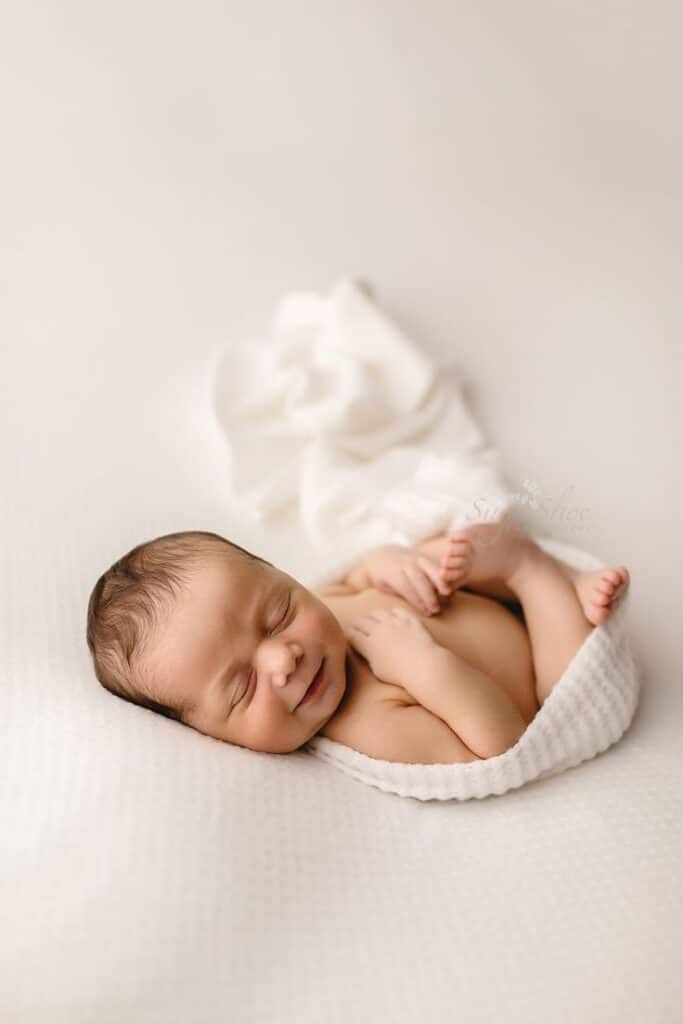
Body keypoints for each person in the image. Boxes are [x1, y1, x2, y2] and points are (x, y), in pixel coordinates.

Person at [86, 518, 630, 764]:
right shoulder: (368, 724)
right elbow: (501, 744)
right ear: (213, 736)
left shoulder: (324, 608)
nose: (283, 658)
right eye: (242, 687)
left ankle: (553, 577)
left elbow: (352, 581)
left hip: (483, 608)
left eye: (277, 612)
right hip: (540, 681)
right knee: (572, 683)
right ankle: (534, 574)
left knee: (434, 558)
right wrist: (424, 667)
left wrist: (384, 567)